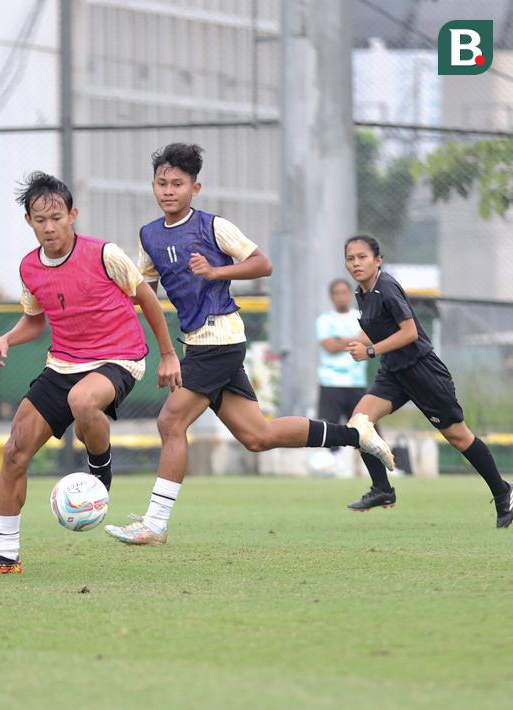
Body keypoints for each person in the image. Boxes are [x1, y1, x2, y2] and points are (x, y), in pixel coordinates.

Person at [103, 143, 396, 546]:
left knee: (171, 422)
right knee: (258, 436)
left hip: (219, 339)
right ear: (153, 185)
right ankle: (356, 436)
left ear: (195, 188)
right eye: (161, 183)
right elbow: (145, 292)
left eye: (178, 183)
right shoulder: (149, 236)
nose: (168, 190)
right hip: (199, 343)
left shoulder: (212, 226)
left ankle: (155, 523)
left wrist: (216, 271)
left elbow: (263, 263)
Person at [0, 172, 181, 574]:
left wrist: (168, 354)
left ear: (72, 215)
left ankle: (100, 468)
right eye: (40, 219)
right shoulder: (30, 268)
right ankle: (5, 556)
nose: (49, 226)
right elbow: (34, 320)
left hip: (120, 357)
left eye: (57, 217)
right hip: (63, 362)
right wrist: (7, 339)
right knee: (14, 452)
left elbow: (146, 298)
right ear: (29, 221)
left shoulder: (104, 254)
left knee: (82, 400)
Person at [341, 235, 512, 526]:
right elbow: (380, 329)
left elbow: (409, 332)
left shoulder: (387, 288)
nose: (356, 263)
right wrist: (355, 342)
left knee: (459, 437)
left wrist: (370, 350)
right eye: (350, 258)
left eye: (362, 257)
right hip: (394, 372)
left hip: (422, 372)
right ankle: (382, 489)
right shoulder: (363, 292)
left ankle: (503, 492)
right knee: (360, 421)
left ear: (378, 260)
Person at [315, 277, 370, 475]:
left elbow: (369, 339)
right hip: (330, 382)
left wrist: (342, 340)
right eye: (336, 293)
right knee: (329, 426)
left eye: (344, 292)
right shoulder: (324, 319)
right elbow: (329, 346)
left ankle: (379, 466)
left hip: (356, 382)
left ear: (350, 295)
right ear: (331, 297)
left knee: (365, 425)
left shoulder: (360, 317)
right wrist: (356, 339)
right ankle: (332, 466)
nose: (341, 297)